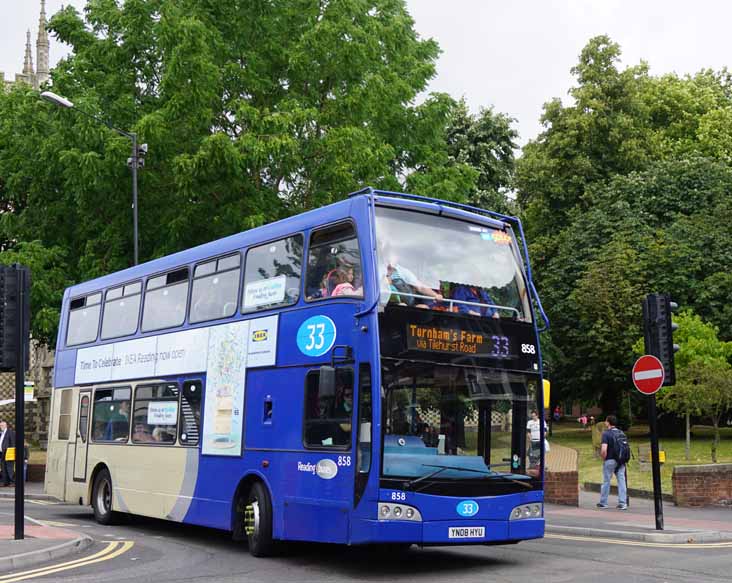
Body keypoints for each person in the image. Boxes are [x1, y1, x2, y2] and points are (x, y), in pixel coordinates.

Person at [597, 414, 628, 510]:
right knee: (621, 481)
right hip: (621, 460)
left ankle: (603, 502)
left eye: (606, 421)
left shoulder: (606, 434)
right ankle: (623, 503)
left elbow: (603, 450)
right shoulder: (621, 433)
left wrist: (603, 458)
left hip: (610, 460)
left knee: (606, 480)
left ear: (608, 422)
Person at [0, 420, 16, 487]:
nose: (1, 426)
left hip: (9, 453)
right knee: (3, 468)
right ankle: (5, 482)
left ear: (6, 425)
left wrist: (12, 453)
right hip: (2, 453)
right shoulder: (1, 433)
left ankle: (12, 482)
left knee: (10, 468)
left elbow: (12, 443)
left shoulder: (10, 432)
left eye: (2, 425)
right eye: (0, 425)